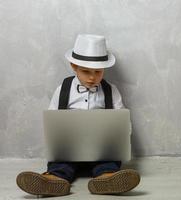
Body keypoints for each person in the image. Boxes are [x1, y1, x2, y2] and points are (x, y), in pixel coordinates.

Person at [16, 34, 140, 196]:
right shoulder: (63, 89)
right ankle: (53, 181)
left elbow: (123, 122)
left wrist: (120, 139)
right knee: (60, 164)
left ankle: (107, 178)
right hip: (68, 150)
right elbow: (51, 121)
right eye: (86, 71)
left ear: (104, 69)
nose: (92, 77)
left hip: (102, 150)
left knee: (108, 162)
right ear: (74, 66)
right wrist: (56, 141)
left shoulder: (111, 91)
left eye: (98, 72)